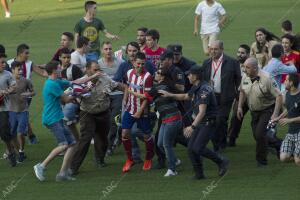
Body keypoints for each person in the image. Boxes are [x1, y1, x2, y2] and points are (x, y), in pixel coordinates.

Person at [33, 61, 100, 182]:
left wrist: (92, 77)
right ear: (54, 71)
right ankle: (41, 166)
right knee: (64, 145)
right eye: (59, 68)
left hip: (58, 117)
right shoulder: (51, 85)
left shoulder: (56, 81)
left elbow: (75, 82)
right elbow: (67, 99)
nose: (61, 69)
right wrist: (84, 91)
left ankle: (62, 174)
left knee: (73, 144)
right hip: (52, 119)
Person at [159, 65, 228, 179]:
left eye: (190, 74)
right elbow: (186, 96)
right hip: (201, 122)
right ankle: (199, 174)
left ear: (195, 76)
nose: (188, 76)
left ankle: (221, 161)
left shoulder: (203, 90)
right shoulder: (196, 86)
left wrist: (192, 127)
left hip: (208, 122)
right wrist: (170, 95)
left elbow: (202, 112)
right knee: (191, 149)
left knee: (198, 148)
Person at [127, 67, 182, 176]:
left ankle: (172, 169)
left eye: (158, 73)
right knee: (160, 144)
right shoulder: (162, 86)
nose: (155, 73)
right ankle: (175, 160)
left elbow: (143, 96)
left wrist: (127, 89)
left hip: (173, 119)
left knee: (166, 144)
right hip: (166, 119)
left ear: (162, 77)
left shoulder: (159, 87)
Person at [70, 61, 122, 174]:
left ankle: (100, 159)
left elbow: (116, 85)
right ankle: (73, 167)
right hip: (87, 113)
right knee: (85, 139)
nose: (98, 72)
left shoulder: (105, 78)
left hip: (103, 112)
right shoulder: (81, 82)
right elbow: (70, 90)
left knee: (103, 139)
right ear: (87, 70)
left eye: (99, 69)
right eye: (95, 70)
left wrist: (127, 92)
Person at [237, 57, 283, 166]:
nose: (244, 69)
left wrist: (275, 114)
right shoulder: (245, 77)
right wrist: (239, 107)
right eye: (244, 67)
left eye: (247, 67)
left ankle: (261, 161)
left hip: (267, 109)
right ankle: (279, 145)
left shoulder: (267, 78)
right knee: (258, 136)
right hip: (255, 111)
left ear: (255, 68)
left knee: (259, 134)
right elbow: (242, 91)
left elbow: (279, 96)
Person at [202, 40, 241, 151]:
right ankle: (218, 143)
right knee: (213, 121)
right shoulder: (206, 63)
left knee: (220, 120)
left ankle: (219, 145)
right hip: (211, 97)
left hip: (225, 97)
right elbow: (203, 80)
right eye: (211, 49)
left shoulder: (232, 62)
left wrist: (238, 96)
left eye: (216, 49)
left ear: (221, 49)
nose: (213, 51)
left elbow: (238, 79)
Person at [121, 52, 154, 172]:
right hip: (130, 109)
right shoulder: (129, 73)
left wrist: (140, 111)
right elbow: (127, 86)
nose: (140, 66)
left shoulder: (148, 77)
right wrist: (125, 99)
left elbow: (147, 97)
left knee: (146, 135)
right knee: (124, 133)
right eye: (138, 63)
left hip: (143, 111)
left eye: (142, 64)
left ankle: (148, 158)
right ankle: (130, 159)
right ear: (134, 62)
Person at [98, 41, 124, 156]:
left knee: (114, 120)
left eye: (110, 49)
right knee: (105, 121)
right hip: (105, 95)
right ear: (102, 51)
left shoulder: (120, 63)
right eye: (106, 49)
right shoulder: (98, 64)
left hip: (118, 94)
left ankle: (109, 146)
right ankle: (113, 139)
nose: (108, 51)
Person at [9, 61, 35, 163]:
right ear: (12, 70)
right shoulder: (9, 81)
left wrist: (28, 94)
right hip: (11, 111)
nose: (20, 71)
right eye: (18, 69)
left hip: (23, 111)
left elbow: (34, 92)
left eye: (21, 69)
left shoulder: (26, 81)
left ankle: (21, 150)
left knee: (20, 133)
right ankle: (18, 151)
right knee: (12, 134)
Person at [272, 73, 300, 166]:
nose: (284, 82)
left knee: (298, 161)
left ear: (291, 83)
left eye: (286, 80)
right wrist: (278, 118)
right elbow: (289, 109)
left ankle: (297, 157)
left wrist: (289, 120)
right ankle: (296, 155)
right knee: (283, 158)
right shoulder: (287, 94)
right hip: (291, 132)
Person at [228, 44, 250, 147]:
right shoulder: (233, 64)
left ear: (248, 54)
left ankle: (267, 139)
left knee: (257, 118)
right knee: (236, 116)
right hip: (240, 96)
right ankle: (232, 138)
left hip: (253, 96)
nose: (240, 55)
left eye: (242, 53)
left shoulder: (252, 64)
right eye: (238, 52)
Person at [59, 48, 84, 141]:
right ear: (60, 58)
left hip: (72, 100)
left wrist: (67, 94)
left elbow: (80, 85)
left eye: (68, 57)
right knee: (69, 123)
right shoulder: (56, 69)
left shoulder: (74, 69)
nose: (66, 60)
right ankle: (76, 142)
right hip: (59, 100)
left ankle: (67, 144)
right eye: (64, 57)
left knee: (65, 121)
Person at [0, 53, 16, 167]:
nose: (4, 64)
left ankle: (11, 152)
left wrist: (7, 91)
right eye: (1, 62)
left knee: (4, 133)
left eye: (4, 62)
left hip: (4, 108)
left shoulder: (8, 74)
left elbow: (14, 87)